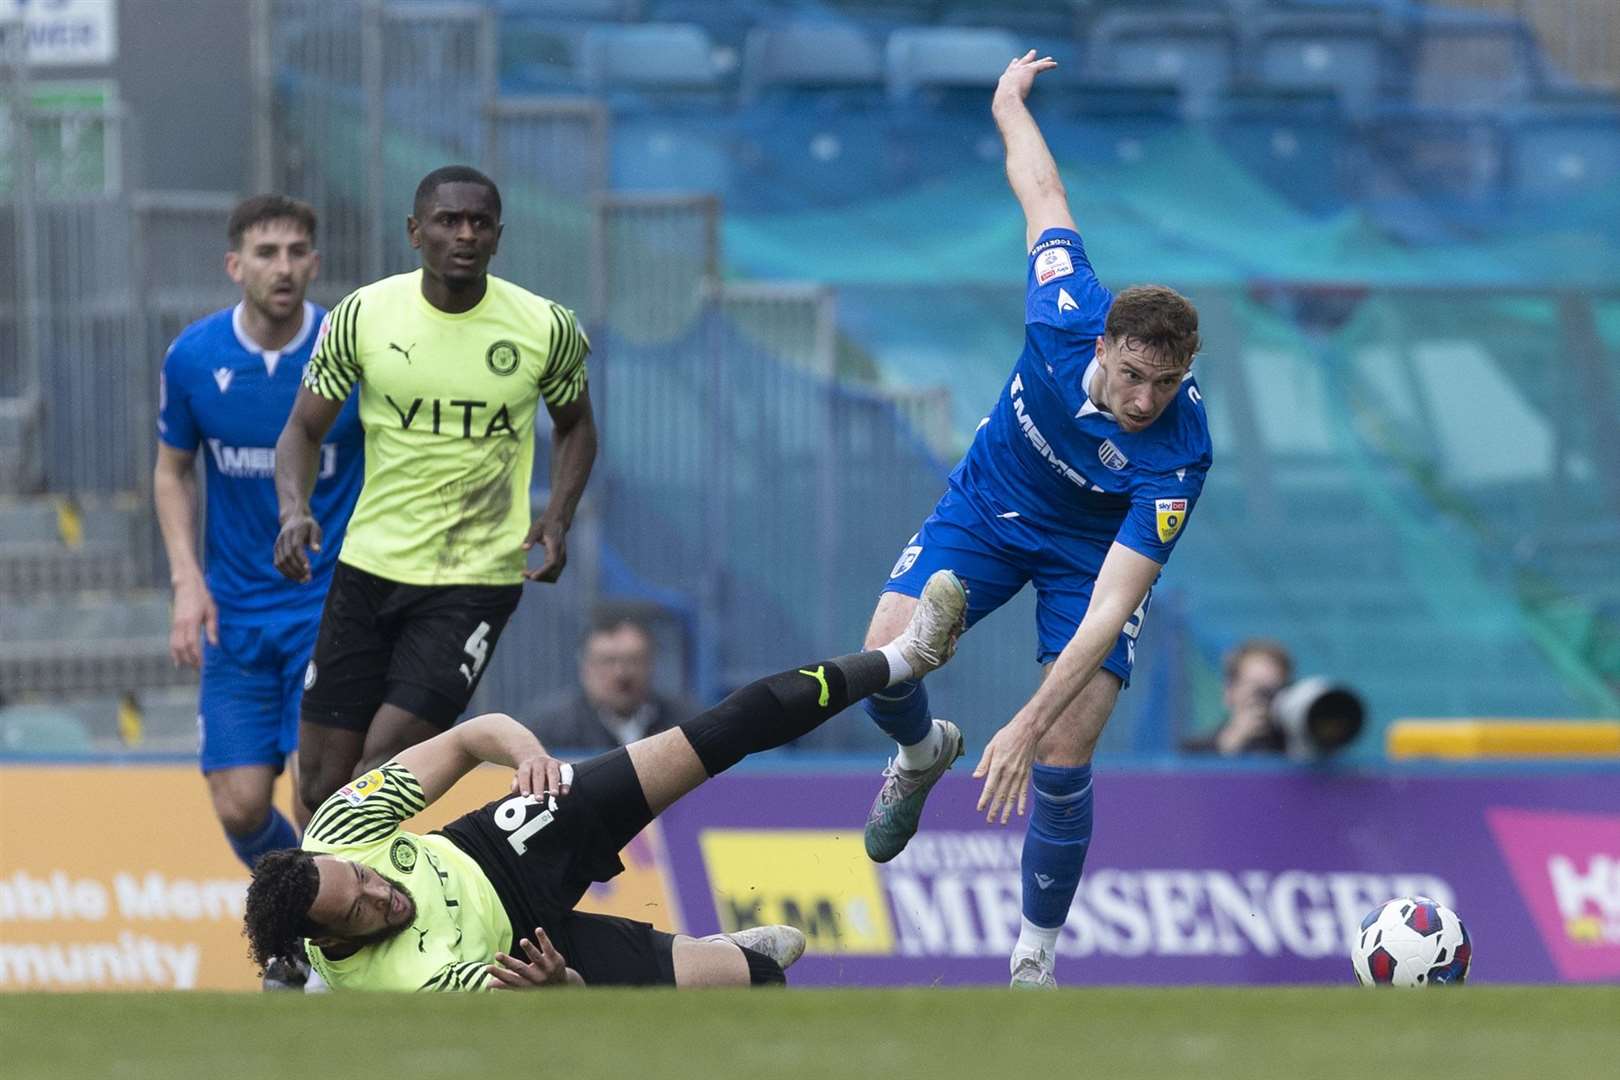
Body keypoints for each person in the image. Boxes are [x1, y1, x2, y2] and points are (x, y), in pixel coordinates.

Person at [855, 52, 1212, 988]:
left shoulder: (1180, 453)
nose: (1144, 399)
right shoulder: (1061, 305)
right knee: (884, 658)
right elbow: (1041, 189)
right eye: (1133, 375)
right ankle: (920, 750)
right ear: (1103, 343)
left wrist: (1022, 723)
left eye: (1165, 383)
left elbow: (1110, 609)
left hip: (1087, 559)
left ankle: (1033, 963)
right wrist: (1010, 101)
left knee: (1064, 746)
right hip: (986, 506)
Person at [243, 570, 968, 990]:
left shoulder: (338, 831)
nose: (380, 890)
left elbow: (470, 737)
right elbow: (557, 1013)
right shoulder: (402, 986)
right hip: (525, 954)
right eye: (362, 909)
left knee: (723, 730)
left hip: (503, 846)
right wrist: (557, 986)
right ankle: (726, 954)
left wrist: (529, 757)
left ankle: (909, 654)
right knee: (759, 981)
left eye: (362, 877)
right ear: (324, 939)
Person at [272, 165, 598, 820]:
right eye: (449, 220)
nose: (466, 234)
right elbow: (302, 429)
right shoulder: (364, 315)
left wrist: (557, 517)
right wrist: (293, 509)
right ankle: (321, 915)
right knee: (317, 783)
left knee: (379, 771)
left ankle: (351, 910)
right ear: (415, 231)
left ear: (499, 238)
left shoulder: (544, 327)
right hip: (368, 568)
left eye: (480, 222)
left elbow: (577, 427)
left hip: (474, 580)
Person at [153, 195, 364, 874]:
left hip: (327, 606)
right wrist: (188, 582)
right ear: (234, 265)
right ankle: (307, 921)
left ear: (315, 263)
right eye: (267, 253)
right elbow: (171, 472)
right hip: (235, 614)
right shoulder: (193, 358)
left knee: (318, 797)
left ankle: (324, 950)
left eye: (297, 252)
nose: (284, 267)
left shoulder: (350, 350)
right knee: (241, 805)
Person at [524, 610, 693, 750]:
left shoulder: (686, 724)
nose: (621, 673)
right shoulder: (548, 731)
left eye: (633, 660)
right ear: (585, 667)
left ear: (651, 663)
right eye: (608, 661)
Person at [1181, 639, 1293, 755]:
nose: (1264, 698)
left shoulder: (1296, 747)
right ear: (1229, 691)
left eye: (1273, 688)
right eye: (1255, 685)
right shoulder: (1193, 753)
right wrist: (1230, 743)